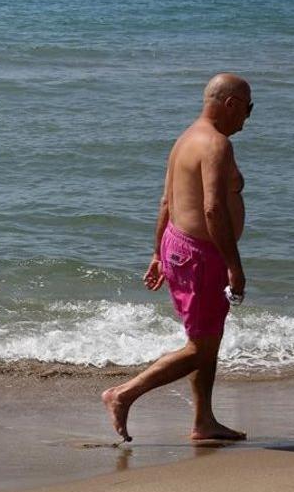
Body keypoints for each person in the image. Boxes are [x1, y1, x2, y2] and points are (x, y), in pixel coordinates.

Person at [101, 73, 252, 443]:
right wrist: (234, 266)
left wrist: (157, 252)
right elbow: (214, 210)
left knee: (207, 339)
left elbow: (168, 201)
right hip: (200, 256)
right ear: (230, 104)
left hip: (179, 246)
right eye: (248, 109)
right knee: (200, 347)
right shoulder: (215, 145)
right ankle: (123, 394)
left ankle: (204, 421)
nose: (247, 119)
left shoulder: (185, 138)